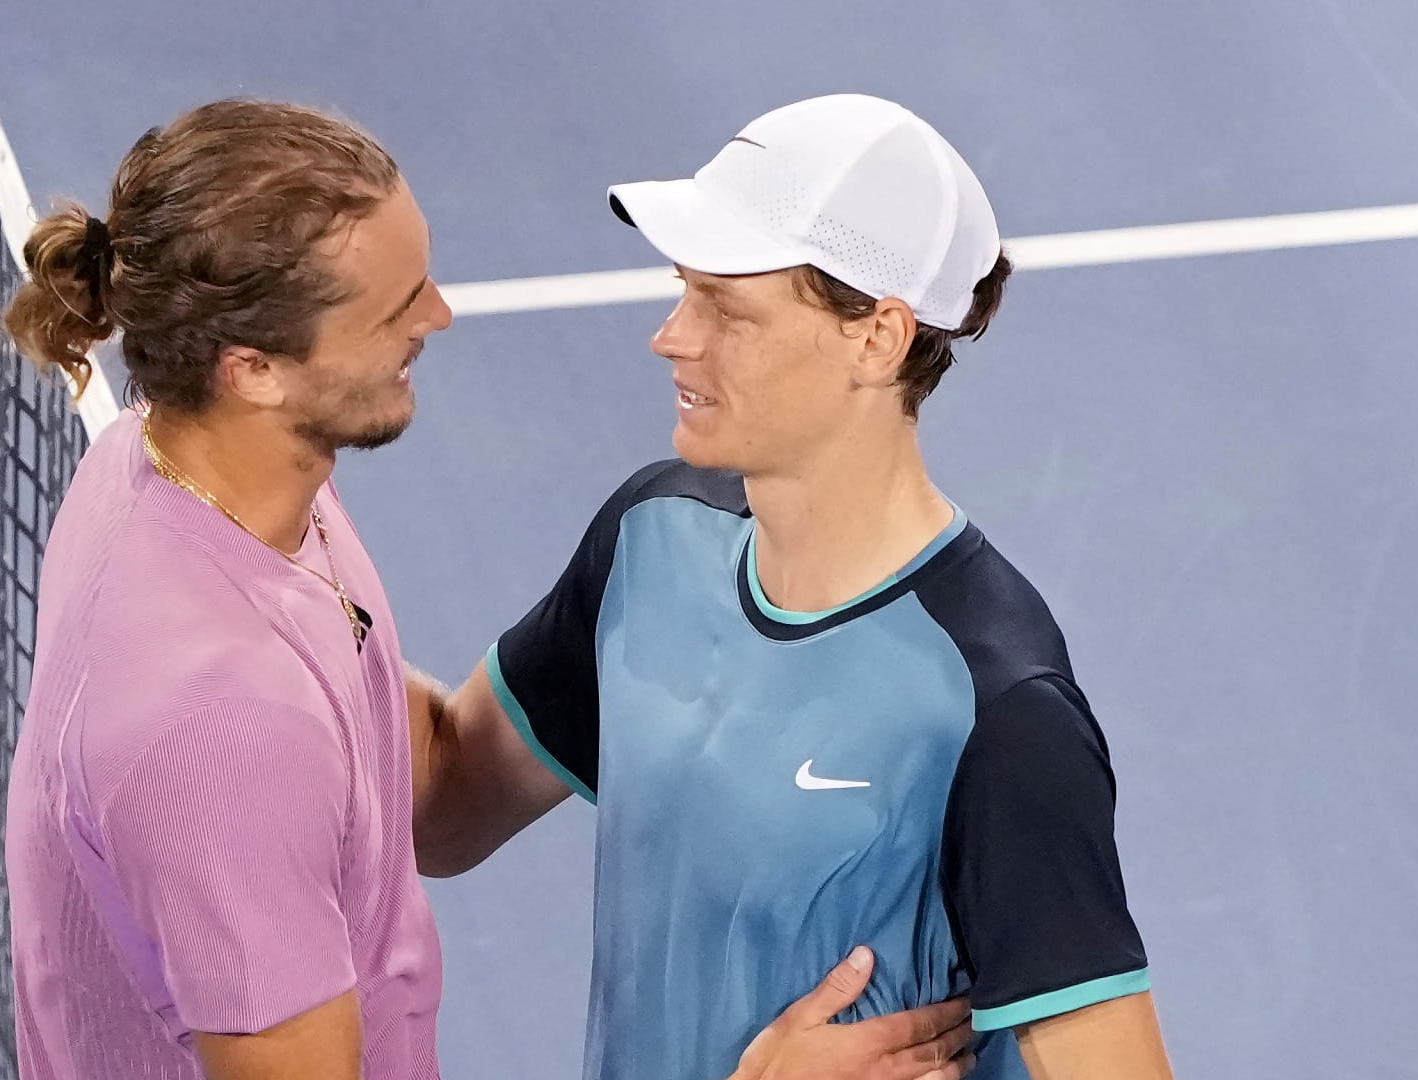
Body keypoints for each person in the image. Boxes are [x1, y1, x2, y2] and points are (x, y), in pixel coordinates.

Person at [1, 98, 975, 1080]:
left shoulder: (196, 470)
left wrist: (613, 645)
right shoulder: (223, 722)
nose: (440, 316)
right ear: (254, 369)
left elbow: (412, 780)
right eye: (394, 309)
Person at [413, 94, 1174, 1080]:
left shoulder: (992, 708)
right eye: (685, 290)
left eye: (725, 308)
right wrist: (280, 565)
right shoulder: (651, 541)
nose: (672, 337)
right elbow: (441, 808)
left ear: (877, 337)